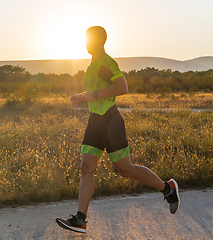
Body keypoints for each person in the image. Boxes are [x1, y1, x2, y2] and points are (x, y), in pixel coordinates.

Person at [56, 26, 180, 234]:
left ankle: (167, 189)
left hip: (110, 121)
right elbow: (99, 89)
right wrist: (82, 95)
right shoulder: (94, 64)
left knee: (125, 170)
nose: (85, 43)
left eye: (88, 39)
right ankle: (80, 219)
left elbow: (122, 87)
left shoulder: (106, 63)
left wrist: (93, 94)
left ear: (98, 40)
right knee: (86, 167)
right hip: (95, 121)